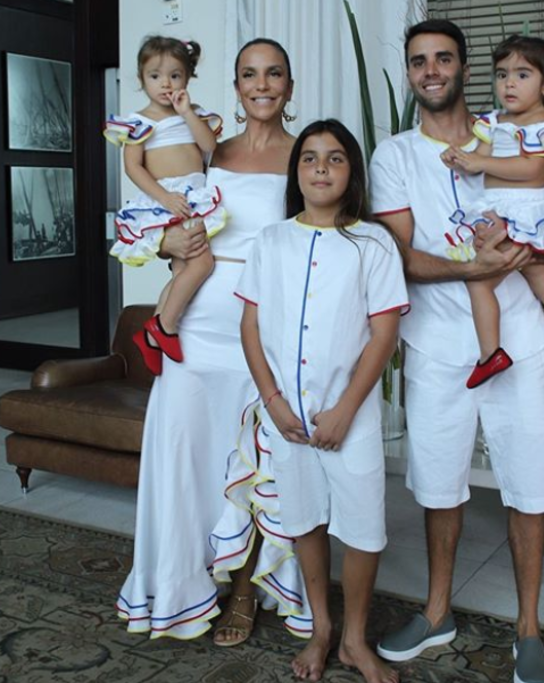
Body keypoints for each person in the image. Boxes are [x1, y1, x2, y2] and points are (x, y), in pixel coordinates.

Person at [369, 19, 544, 683]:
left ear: (464, 69)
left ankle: (529, 628)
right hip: (437, 346)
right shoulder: (395, 156)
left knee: (529, 483)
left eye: (443, 58)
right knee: (439, 484)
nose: (431, 70)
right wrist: (474, 268)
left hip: (519, 341)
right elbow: (398, 256)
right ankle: (437, 611)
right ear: (410, 73)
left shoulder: (514, 129)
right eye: (419, 61)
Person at [116, 38, 312, 645]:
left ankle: (245, 594)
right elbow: (168, 216)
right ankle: (180, 585)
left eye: (273, 74)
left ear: (288, 85)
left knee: (251, 463)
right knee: (185, 456)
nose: (261, 85)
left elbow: (319, 241)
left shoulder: (306, 156)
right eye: (249, 74)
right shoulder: (210, 150)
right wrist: (163, 244)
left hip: (264, 328)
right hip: (195, 327)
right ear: (234, 86)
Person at [238, 119, 408, 683]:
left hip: (349, 415)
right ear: (296, 172)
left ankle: (355, 640)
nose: (320, 168)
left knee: (362, 527)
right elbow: (251, 326)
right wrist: (272, 401)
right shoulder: (271, 240)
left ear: (351, 171)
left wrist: (344, 411)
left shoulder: (374, 243)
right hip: (286, 415)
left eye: (335, 158)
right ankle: (322, 629)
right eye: (309, 158)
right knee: (305, 518)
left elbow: (383, 335)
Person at [440, 35, 544, 388]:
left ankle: (491, 354)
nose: (509, 83)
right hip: (502, 209)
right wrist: (460, 159)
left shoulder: (543, 126)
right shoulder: (494, 122)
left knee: (480, 281)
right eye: (502, 74)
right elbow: (479, 161)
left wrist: (480, 161)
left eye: (522, 75)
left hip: (525, 214)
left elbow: (533, 171)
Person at [105, 36, 228, 374]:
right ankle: (164, 327)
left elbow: (210, 147)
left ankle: (154, 334)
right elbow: (133, 167)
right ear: (141, 78)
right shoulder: (139, 122)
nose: (166, 84)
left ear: (187, 78)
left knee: (183, 271)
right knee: (202, 262)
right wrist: (164, 198)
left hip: (193, 196)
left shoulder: (193, 114)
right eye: (155, 76)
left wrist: (187, 112)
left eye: (175, 75)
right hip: (169, 200)